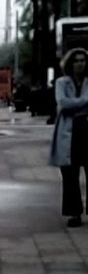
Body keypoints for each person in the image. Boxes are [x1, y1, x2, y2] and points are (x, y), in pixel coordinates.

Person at [49, 47, 88, 227]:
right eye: (76, 61)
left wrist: (75, 105)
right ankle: (74, 213)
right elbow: (63, 103)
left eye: (83, 60)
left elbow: (68, 105)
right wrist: (85, 102)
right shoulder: (61, 82)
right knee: (70, 175)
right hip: (69, 133)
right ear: (70, 63)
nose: (80, 63)